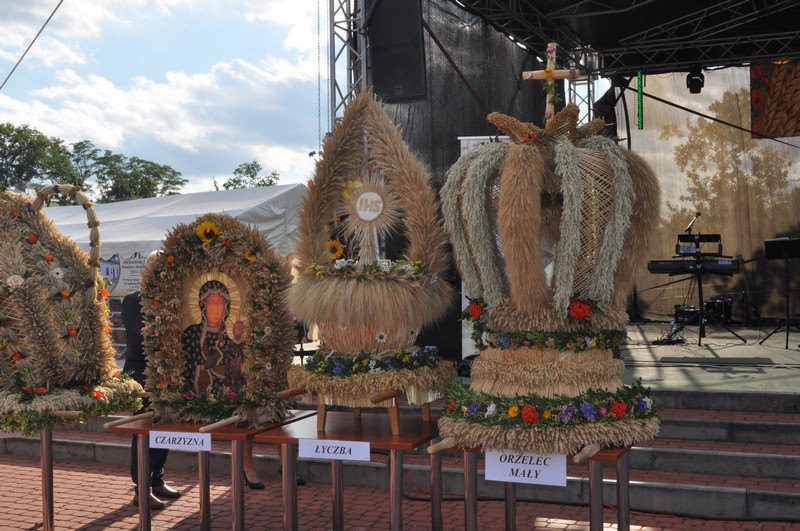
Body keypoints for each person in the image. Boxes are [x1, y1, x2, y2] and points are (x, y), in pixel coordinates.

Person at [122, 290, 182, 509]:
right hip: (142, 374)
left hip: (166, 374)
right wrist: (169, 336)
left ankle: (156, 480)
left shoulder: (170, 297)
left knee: (164, 427)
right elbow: (139, 338)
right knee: (144, 430)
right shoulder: (132, 300)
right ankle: (141, 489)